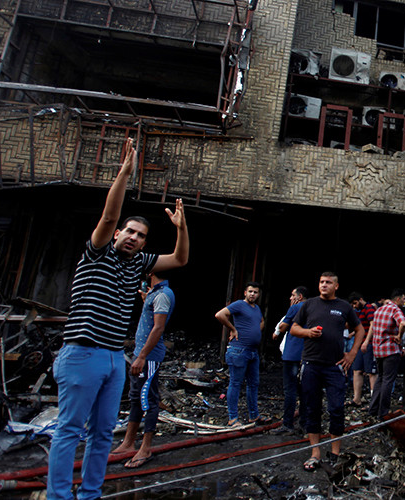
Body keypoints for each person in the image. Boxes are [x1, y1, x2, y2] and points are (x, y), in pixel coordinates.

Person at [48, 137, 189, 500]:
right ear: (117, 234)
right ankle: (59, 496)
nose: (133, 237)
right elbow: (109, 215)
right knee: (69, 431)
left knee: (101, 432)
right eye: (129, 231)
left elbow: (180, 260)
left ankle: (91, 493)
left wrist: (181, 228)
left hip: (114, 357)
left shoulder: (139, 264)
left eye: (140, 235)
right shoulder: (97, 254)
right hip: (82, 352)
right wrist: (125, 173)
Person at [291, 272, 365, 471]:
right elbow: (293, 329)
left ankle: (335, 454)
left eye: (328, 282)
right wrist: (308, 332)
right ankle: (315, 453)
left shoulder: (344, 307)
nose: (324, 285)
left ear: (336, 286)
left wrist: (352, 353)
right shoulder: (308, 305)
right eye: (321, 282)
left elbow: (360, 330)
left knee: (336, 409)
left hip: (335, 366)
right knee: (312, 408)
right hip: (311, 364)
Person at [110, 270, 175, 468]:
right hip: (142, 353)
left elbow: (158, 328)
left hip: (149, 356)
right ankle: (129, 442)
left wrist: (142, 356)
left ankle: (145, 449)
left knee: (148, 399)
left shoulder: (163, 294)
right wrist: (148, 299)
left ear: (151, 271)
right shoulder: (156, 294)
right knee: (136, 398)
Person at [215, 282, 266, 427]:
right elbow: (220, 315)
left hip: (252, 352)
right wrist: (232, 329)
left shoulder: (256, 309)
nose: (252, 294)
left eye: (255, 292)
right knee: (235, 384)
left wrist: (256, 330)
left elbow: (262, 321)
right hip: (239, 350)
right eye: (250, 291)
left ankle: (254, 416)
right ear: (245, 293)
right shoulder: (239, 305)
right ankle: (232, 418)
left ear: (258, 295)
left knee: (253, 384)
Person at [273, 286, 308, 435]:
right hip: (306, 355)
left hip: (292, 354)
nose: (290, 298)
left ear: (299, 296)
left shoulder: (295, 308)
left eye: (292, 295)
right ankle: (304, 423)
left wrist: (281, 325)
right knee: (305, 390)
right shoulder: (313, 308)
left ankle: (288, 423)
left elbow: (283, 327)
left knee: (290, 391)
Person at [367, 289, 405, 417]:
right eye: (403, 299)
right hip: (390, 350)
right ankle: (383, 413)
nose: (404, 301)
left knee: (380, 379)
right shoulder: (395, 310)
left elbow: (373, 328)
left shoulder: (379, 310)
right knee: (388, 380)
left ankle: (372, 409)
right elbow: (403, 323)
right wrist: (399, 336)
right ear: (397, 299)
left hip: (378, 350)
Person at [349, 292, 377, 406]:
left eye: (355, 303)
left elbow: (373, 324)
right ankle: (357, 399)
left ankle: (374, 401)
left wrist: (366, 341)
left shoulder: (369, 308)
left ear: (360, 299)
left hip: (368, 343)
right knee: (357, 370)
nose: (354, 306)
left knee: (371, 372)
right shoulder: (360, 312)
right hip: (361, 344)